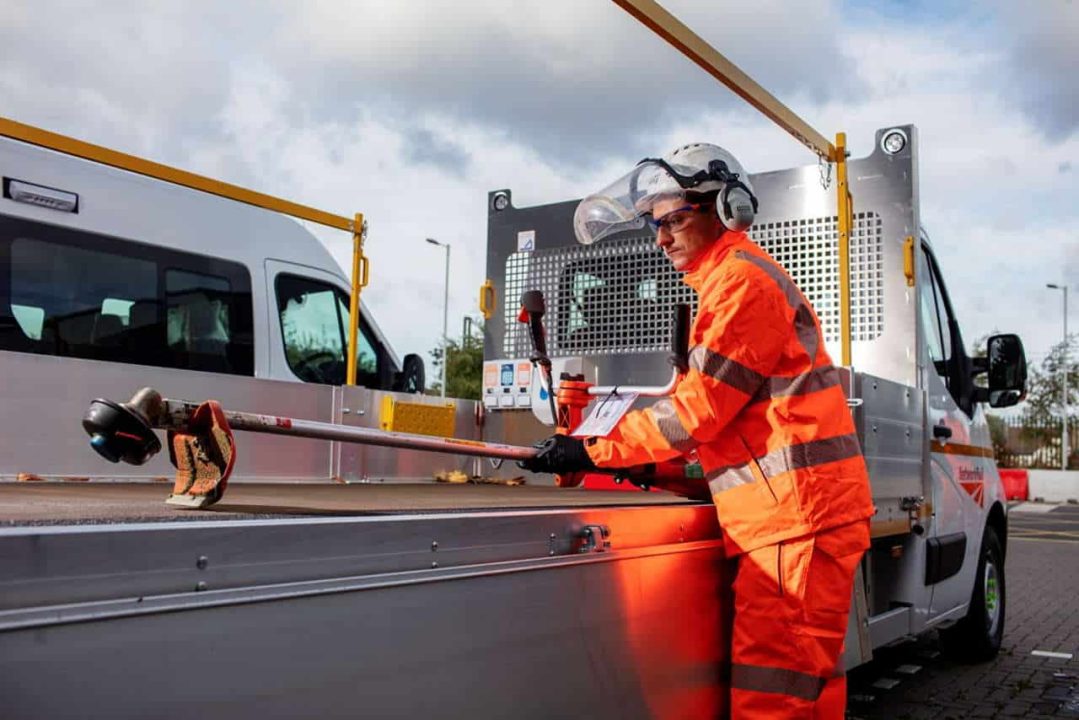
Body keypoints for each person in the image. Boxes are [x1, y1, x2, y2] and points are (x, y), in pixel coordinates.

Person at [521, 143, 875, 718]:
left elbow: (696, 412)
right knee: (805, 690)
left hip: (793, 523)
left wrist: (591, 449)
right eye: (655, 226)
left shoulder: (740, 285)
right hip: (796, 518)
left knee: (775, 696)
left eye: (674, 220)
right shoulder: (729, 284)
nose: (661, 239)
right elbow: (735, 427)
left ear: (725, 208)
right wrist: (644, 464)